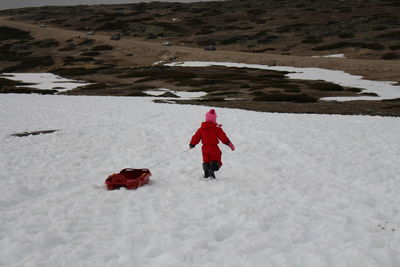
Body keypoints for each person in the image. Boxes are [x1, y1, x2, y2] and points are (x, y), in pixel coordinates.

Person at [189, 109, 235, 179]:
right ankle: (212, 169)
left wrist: (192, 144)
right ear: (214, 119)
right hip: (214, 148)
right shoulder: (216, 129)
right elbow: (223, 137)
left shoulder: (201, 129)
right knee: (216, 159)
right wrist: (228, 143)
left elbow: (196, 137)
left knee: (206, 160)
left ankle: (206, 172)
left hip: (204, 148)